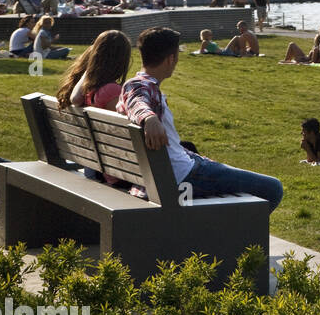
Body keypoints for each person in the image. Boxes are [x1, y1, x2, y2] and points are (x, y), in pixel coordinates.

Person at [118, 27, 283, 211]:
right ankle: (237, 238)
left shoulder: (137, 84)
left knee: (226, 171)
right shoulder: (141, 86)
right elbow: (137, 101)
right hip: (182, 176)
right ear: (171, 59)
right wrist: (148, 118)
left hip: (175, 168)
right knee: (273, 188)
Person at [56, 29, 133, 183]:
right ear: (122, 60)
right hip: (116, 173)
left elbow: (75, 98)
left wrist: (92, 65)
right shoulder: (112, 91)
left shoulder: (88, 91)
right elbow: (126, 137)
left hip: (93, 165)